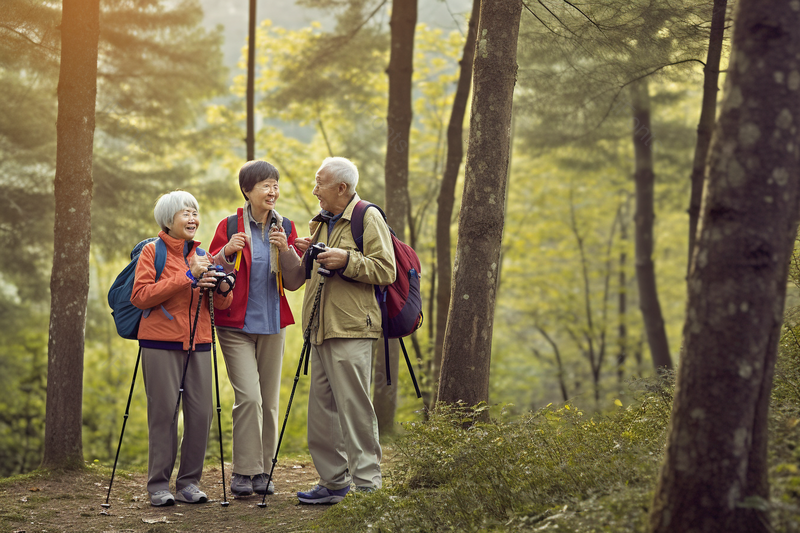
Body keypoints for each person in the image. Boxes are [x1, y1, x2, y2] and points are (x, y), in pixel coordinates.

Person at [293, 156, 396, 504]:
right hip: (320, 328)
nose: (314, 189)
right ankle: (334, 482)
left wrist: (346, 260)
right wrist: (312, 252)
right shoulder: (322, 221)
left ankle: (368, 485)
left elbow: (386, 269)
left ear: (341, 188)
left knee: (354, 406)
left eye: (319, 182)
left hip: (352, 328)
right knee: (322, 411)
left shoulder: (368, 217)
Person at [131, 190, 233, 507]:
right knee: (163, 414)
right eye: (184, 213)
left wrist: (220, 286)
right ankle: (159, 485)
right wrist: (188, 275)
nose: (192, 218)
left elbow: (221, 304)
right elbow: (142, 296)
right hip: (160, 341)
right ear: (168, 220)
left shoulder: (204, 254)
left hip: (199, 340)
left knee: (201, 415)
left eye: (194, 212)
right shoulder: (152, 252)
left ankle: (189, 482)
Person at [209, 160, 304, 497]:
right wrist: (224, 252)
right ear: (247, 190)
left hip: (273, 325)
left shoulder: (286, 226)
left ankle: (264, 470)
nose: (273, 190)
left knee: (269, 401)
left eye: (275, 184)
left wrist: (286, 249)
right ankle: (244, 472)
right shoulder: (230, 225)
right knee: (249, 398)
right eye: (265, 184)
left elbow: (293, 282)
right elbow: (210, 270)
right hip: (235, 325)